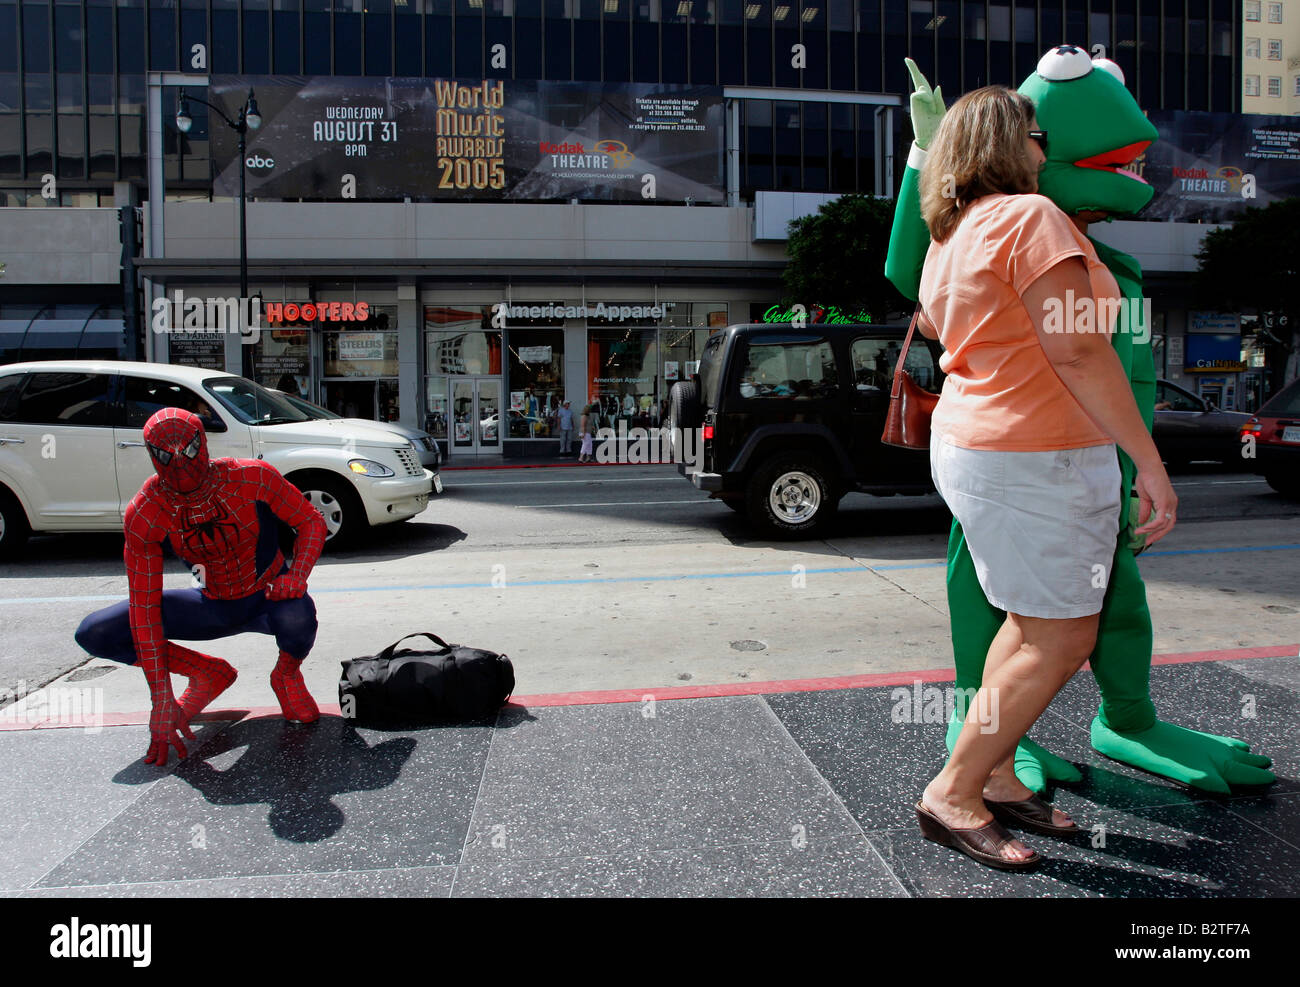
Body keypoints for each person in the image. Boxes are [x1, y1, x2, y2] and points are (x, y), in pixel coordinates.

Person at [912, 86, 1178, 870]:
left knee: (1025, 625)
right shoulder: (1029, 218)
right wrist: (1149, 464)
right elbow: (1078, 350)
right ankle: (952, 792)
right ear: (1011, 144)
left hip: (982, 446)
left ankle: (994, 771)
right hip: (1035, 454)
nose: (1042, 148)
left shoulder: (949, 234)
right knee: (1062, 633)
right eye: (1036, 135)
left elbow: (943, 329)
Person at [74, 408, 328, 766]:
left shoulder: (251, 477)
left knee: (298, 613)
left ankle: (286, 673)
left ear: (203, 444)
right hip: (210, 604)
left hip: (266, 597)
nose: (180, 463)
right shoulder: (147, 511)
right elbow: (144, 609)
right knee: (96, 631)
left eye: (188, 450)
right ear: (152, 455)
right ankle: (207, 672)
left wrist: (296, 575)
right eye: (166, 455)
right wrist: (161, 698)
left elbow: (310, 521)